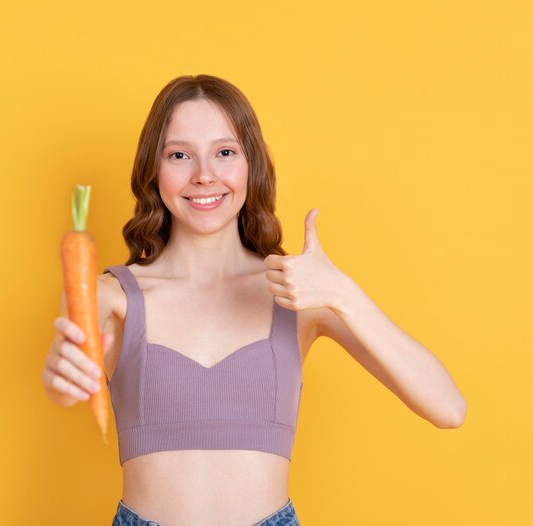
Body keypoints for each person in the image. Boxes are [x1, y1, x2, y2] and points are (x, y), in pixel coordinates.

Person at [41, 74, 467, 526]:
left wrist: (343, 293)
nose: (204, 174)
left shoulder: (297, 293)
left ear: (250, 166)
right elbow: (65, 375)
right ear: (155, 170)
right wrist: (58, 375)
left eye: (225, 152)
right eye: (179, 155)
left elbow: (448, 408)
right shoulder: (110, 295)